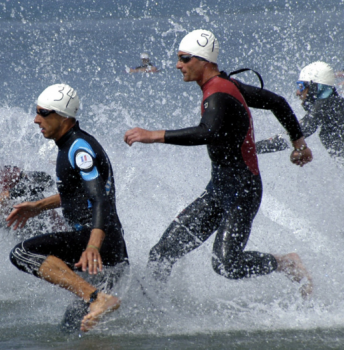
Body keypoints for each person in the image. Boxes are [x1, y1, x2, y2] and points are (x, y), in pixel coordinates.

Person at [123, 29, 314, 297]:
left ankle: (285, 263)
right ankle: (152, 312)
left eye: (185, 59)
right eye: (179, 59)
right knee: (162, 252)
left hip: (242, 193)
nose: (178, 65)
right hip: (219, 190)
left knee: (226, 264)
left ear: (204, 61)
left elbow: (208, 132)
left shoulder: (220, 93)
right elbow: (277, 102)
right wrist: (299, 144)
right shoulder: (226, 86)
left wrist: (155, 135)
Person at [6, 84, 129, 332]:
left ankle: (97, 298)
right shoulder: (69, 145)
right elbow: (77, 193)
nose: (35, 119)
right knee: (73, 330)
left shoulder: (79, 148)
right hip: (108, 250)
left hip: (97, 245)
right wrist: (39, 206)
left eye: (43, 112)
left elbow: (100, 199)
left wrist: (93, 246)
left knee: (22, 253)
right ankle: (97, 299)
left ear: (63, 116)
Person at [296, 62, 344, 173]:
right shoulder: (335, 105)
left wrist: (260, 148)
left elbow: (297, 134)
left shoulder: (326, 105)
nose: (298, 92)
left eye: (301, 86)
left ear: (314, 86)